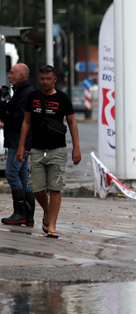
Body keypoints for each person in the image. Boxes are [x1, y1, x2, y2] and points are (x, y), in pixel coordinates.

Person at [16, 65, 81, 239]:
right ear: (39, 78)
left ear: (54, 79)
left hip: (57, 150)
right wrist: (21, 146)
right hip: (36, 149)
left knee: (55, 188)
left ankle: (51, 225)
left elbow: (72, 123)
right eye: (42, 78)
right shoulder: (33, 97)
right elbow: (26, 122)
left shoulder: (62, 98)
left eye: (48, 79)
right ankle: (47, 211)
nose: (45, 82)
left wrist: (76, 147)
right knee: (36, 188)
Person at [1, 63, 35, 226]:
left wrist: (6, 114)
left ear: (21, 76)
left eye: (12, 73)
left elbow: (20, 118)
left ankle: (20, 213)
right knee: (22, 177)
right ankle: (28, 216)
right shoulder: (22, 92)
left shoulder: (26, 93)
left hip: (19, 141)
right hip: (20, 140)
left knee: (12, 173)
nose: (9, 76)